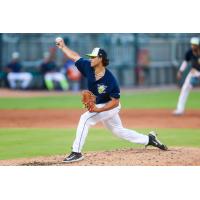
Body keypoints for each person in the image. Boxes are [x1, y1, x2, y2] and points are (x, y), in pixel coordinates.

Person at [55, 37, 168, 163]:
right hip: (102, 106)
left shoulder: (110, 79)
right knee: (118, 131)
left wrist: (99, 109)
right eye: (91, 57)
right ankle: (149, 139)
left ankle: (76, 152)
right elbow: (74, 56)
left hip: (111, 106)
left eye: (93, 57)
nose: (91, 59)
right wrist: (63, 46)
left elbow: (116, 102)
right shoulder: (87, 66)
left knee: (85, 119)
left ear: (100, 58)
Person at [173, 37, 200, 115]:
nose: (193, 46)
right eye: (192, 44)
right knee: (184, 89)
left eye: (194, 45)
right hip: (193, 72)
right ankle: (180, 109)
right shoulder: (190, 52)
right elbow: (185, 62)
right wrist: (180, 71)